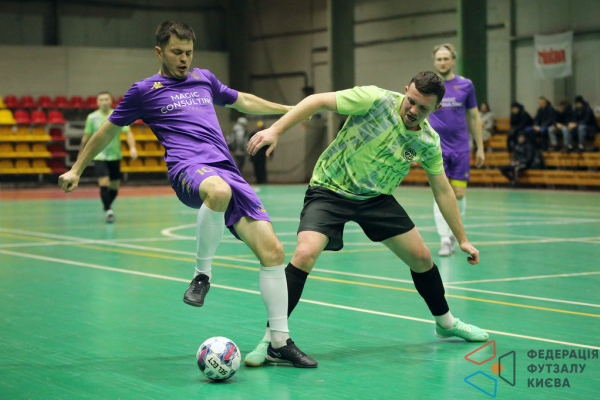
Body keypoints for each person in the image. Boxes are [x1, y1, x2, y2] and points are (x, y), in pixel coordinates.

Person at [58, 21, 316, 368]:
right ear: (159, 51)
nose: (184, 59)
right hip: (188, 168)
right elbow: (108, 131)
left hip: (226, 169)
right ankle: (201, 275)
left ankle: (279, 341)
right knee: (218, 191)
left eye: (189, 53)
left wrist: (289, 111)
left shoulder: (204, 79)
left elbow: (243, 100)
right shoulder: (144, 91)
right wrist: (77, 168)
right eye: (177, 52)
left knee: (273, 252)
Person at [244, 71, 489, 368]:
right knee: (305, 253)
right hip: (330, 190)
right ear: (405, 90)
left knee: (422, 258)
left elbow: (443, 190)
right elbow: (317, 100)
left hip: (376, 198)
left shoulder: (427, 140)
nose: (413, 110)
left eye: (423, 107)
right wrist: (275, 130)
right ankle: (272, 338)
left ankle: (446, 323)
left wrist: (462, 239)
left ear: (436, 108)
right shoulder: (374, 99)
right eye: (411, 101)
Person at [428, 43, 485, 257]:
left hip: (461, 148)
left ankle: (454, 233)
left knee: (459, 194)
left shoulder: (466, 85)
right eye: (439, 59)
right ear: (434, 62)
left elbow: (474, 116)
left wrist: (480, 147)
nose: (442, 62)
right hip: (436, 149)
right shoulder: (428, 85)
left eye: (446, 58)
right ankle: (444, 239)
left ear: (453, 60)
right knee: (440, 191)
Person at [78, 91, 138, 223]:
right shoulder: (92, 118)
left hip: (115, 156)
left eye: (106, 99)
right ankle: (109, 210)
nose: (104, 102)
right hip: (99, 155)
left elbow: (128, 133)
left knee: (115, 185)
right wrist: (81, 154)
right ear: (97, 102)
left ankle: (107, 205)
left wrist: (132, 148)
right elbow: (87, 137)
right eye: (101, 99)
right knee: (104, 182)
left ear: (111, 101)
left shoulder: (118, 115)